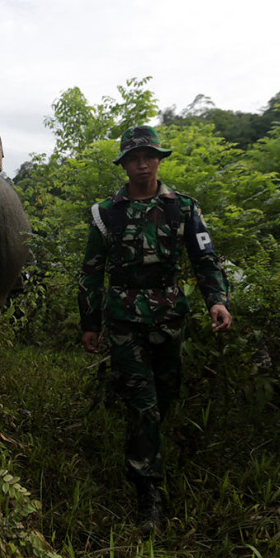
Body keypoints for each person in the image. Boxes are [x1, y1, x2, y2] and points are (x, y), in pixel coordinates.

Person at [78, 125, 231, 534]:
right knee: (142, 403)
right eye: (133, 158)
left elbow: (205, 259)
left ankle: (149, 446)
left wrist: (217, 299)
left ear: (159, 159)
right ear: (124, 164)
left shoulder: (183, 207)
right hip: (125, 318)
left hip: (170, 316)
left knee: (166, 393)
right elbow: (91, 273)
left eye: (149, 156)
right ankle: (148, 493)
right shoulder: (106, 212)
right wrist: (90, 323)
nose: (142, 164)